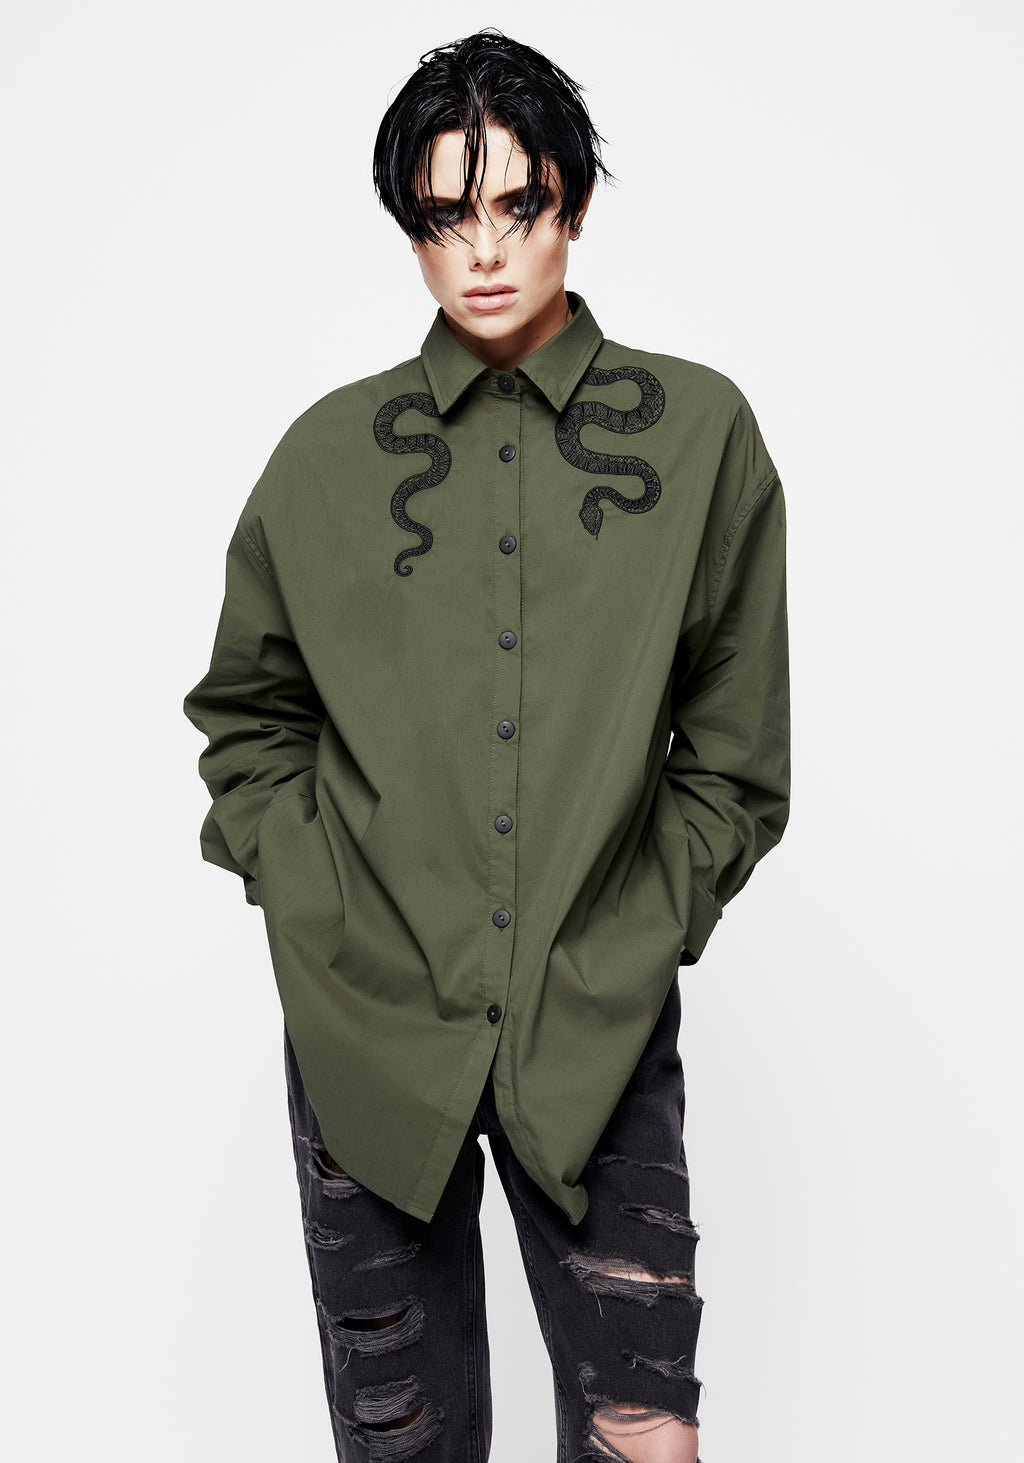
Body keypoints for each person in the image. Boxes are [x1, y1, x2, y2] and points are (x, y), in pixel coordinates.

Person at [182, 28, 790, 1463]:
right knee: (405, 1445)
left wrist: (641, 921)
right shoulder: (326, 459)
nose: (486, 250)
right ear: (409, 229)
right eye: (445, 216)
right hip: (368, 1031)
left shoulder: (699, 437)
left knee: (647, 1434)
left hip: (598, 1020)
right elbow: (247, 719)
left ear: (575, 201)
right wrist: (318, 905)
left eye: (518, 204)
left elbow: (735, 748)